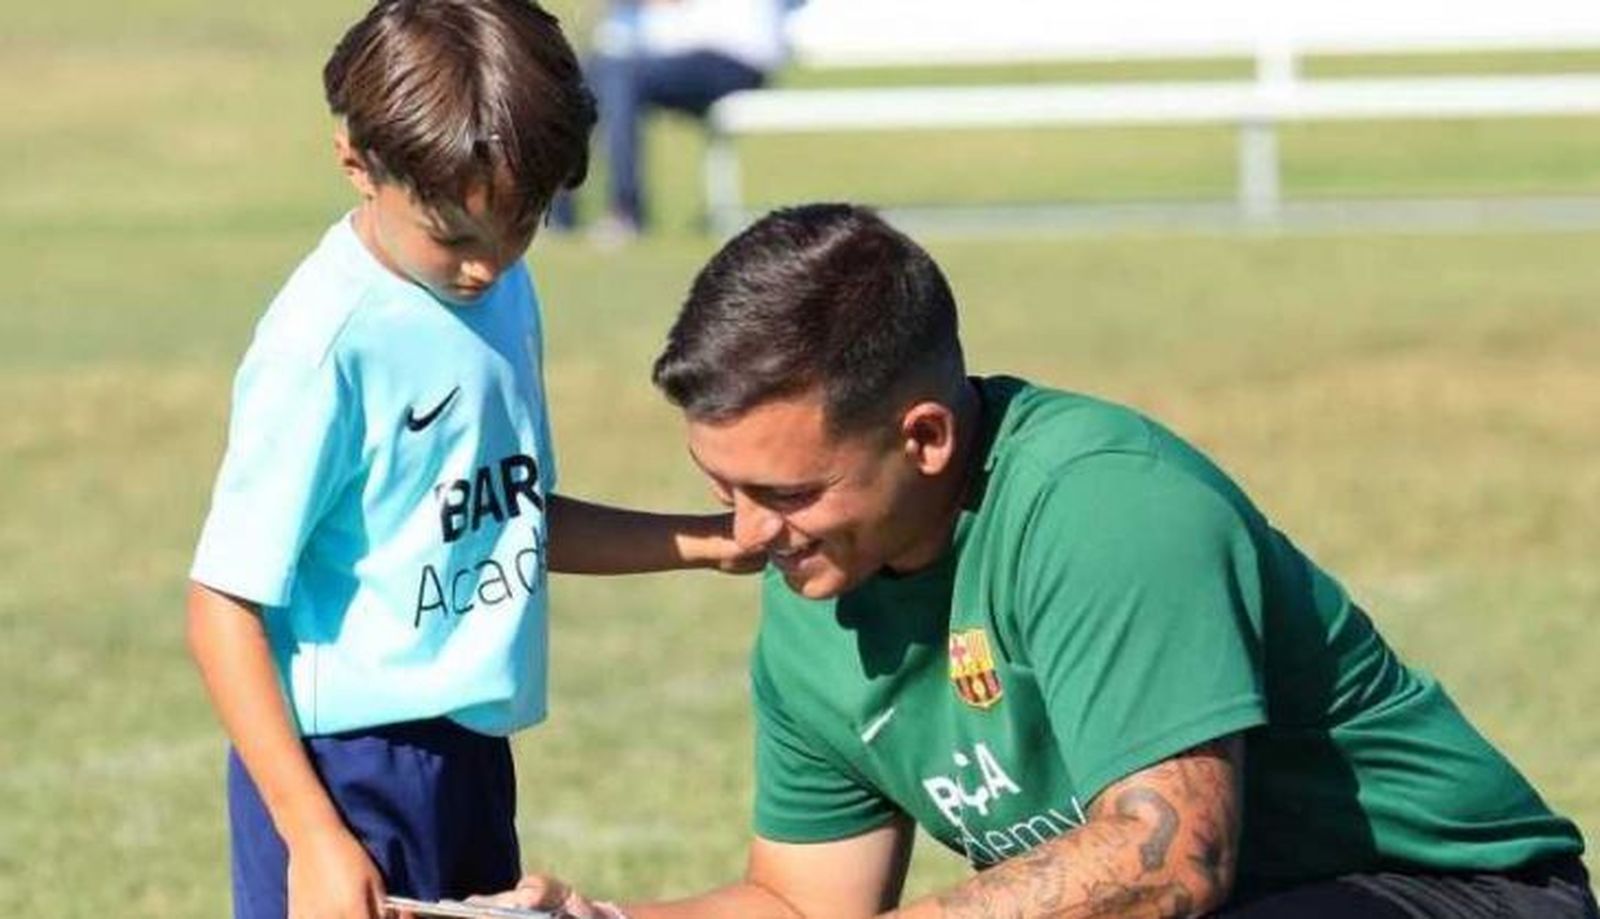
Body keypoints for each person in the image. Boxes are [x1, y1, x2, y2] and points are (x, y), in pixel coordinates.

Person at [482, 203, 1597, 919]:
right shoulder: (815, 586)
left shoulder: (1102, 503)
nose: (746, 533)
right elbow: (799, 900)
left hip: (1452, 895)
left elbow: (1166, 864)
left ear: (925, 437)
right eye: (723, 486)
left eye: (785, 493)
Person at [185, 3, 754, 918]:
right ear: (357, 165)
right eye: (454, 238)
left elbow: (508, 516)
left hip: (469, 752)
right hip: (344, 766)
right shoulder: (327, 344)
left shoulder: (498, 289)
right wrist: (314, 833)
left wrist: (710, 541)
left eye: (520, 227)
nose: (487, 267)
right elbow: (221, 607)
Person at [551, 0, 791, 238]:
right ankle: (558, 214)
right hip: (688, 56)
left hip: (736, 60)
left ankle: (626, 211)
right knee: (585, 71)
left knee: (620, 75)